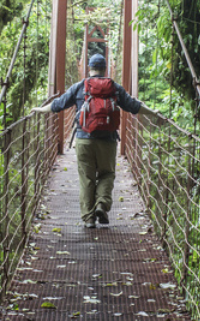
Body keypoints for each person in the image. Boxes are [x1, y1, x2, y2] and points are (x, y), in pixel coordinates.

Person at [32, 53, 142, 228]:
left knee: (86, 179)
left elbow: (58, 105)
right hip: (108, 140)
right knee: (107, 173)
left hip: (84, 140)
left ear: (88, 68)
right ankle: (101, 204)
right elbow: (135, 106)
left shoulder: (79, 87)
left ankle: (89, 219)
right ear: (106, 69)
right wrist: (158, 116)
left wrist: (39, 109)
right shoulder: (114, 88)